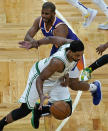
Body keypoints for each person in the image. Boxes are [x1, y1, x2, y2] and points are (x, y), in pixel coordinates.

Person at [0, 36, 102, 131]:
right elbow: (40, 79)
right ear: (70, 52)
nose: (79, 58)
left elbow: (51, 39)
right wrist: (41, 95)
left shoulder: (71, 45)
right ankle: (1, 124)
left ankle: (38, 111)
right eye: (77, 55)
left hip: (56, 77)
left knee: (68, 109)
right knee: (24, 110)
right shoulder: (57, 62)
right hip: (40, 77)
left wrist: (66, 76)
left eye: (81, 55)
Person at [24, 1, 84, 72]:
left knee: (69, 79)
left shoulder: (59, 27)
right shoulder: (39, 21)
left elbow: (63, 50)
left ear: (53, 14)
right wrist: (33, 42)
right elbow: (27, 37)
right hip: (57, 47)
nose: (43, 16)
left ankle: (93, 83)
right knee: (52, 71)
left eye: (47, 14)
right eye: (42, 13)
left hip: (73, 50)